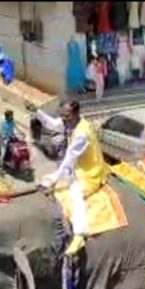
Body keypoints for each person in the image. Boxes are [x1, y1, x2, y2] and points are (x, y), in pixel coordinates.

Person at [32, 99, 110, 256]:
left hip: (89, 172)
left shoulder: (82, 134)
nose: (63, 119)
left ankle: (80, 234)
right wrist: (37, 112)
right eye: (62, 116)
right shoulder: (70, 123)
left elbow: (68, 161)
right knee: (48, 179)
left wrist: (54, 180)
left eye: (66, 116)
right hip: (77, 168)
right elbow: (53, 125)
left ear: (76, 114)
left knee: (76, 194)